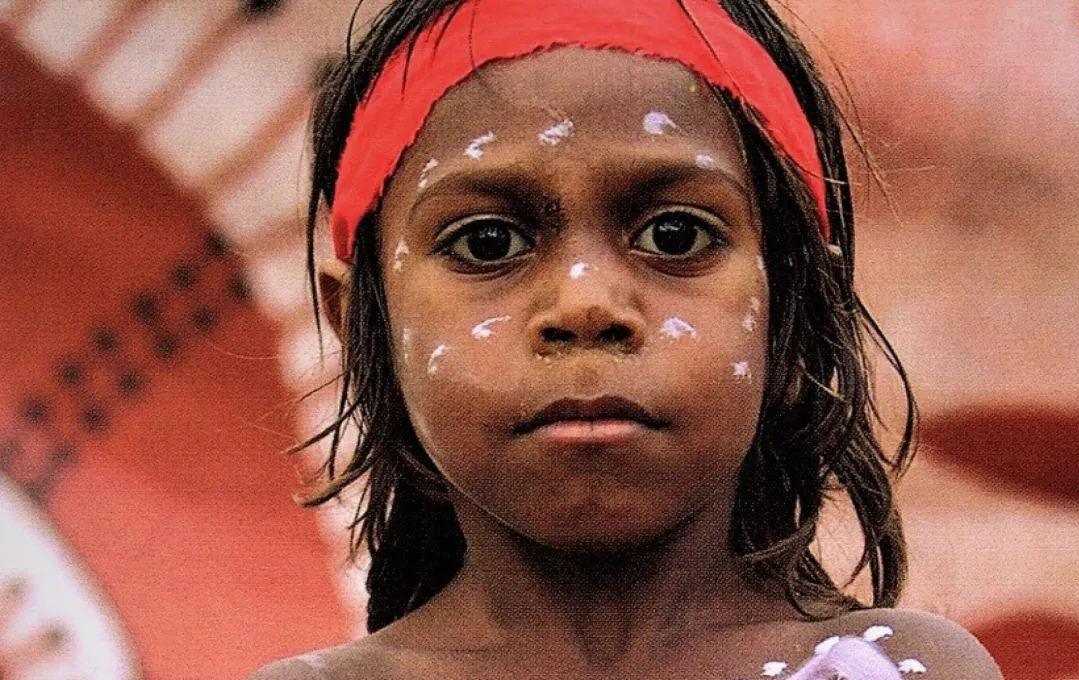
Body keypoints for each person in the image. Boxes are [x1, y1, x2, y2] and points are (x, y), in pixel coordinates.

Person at [250, 0, 1003, 677]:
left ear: (793, 311)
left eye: (675, 235)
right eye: (486, 242)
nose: (586, 304)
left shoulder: (898, 672)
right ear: (364, 329)